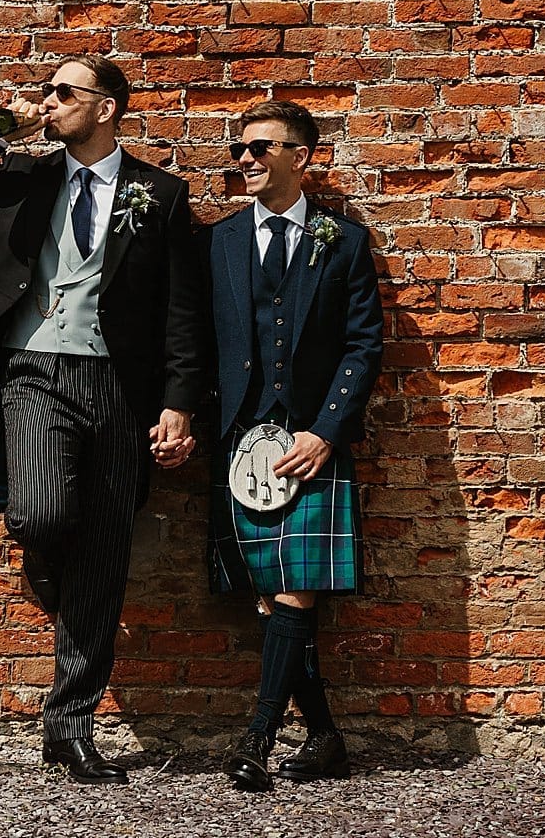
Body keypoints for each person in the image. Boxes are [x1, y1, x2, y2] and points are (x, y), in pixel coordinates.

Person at [0, 57, 209, 784]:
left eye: (63, 92)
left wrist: (177, 403)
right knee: (42, 516)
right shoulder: (27, 177)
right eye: (47, 91)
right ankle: (50, 560)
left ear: (106, 109)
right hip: (31, 369)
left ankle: (69, 727)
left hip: (116, 383)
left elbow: (182, 313)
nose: (49, 101)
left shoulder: (159, 194)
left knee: (106, 556)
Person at [205, 99, 384, 791]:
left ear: (301, 156)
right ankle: (328, 737)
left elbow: (363, 346)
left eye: (260, 148)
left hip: (310, 439)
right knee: (271, 597)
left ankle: (254, 738)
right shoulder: (218, 241)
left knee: (297, 591)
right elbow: (195, 339)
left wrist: (325, 432)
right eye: (240, 148)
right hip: (239, 439)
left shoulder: (343, 241)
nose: (244, 160)